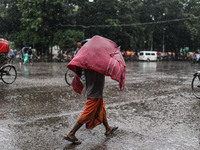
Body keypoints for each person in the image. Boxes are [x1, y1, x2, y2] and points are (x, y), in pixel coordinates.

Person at [64, 67, 118, 145]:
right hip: (94, 93)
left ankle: (108, 128)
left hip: (96, 92)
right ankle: (71, 134)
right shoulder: (96, 63)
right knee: (87, 113)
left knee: (101, 109)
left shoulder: (90, 62)